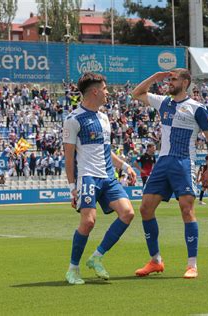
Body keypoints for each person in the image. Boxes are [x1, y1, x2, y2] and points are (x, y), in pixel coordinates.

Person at [132, 69, 208, 279]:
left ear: (185, 82)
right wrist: (154, 77)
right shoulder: (163, 102)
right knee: (145, 208)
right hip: (163, 162)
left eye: (173, 79)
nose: (169, 82)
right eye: (169, 79)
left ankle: (192, 265)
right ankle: (155, 261)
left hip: (183, 162)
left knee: (186, 209)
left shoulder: (197, 108)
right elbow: (137, 93)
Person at [63, 72, 136, 285]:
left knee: (128, 213)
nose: (107, 93)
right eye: (105, 89)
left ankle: (97, 257)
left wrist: (124, 165)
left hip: (108, 177)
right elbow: (68, 158)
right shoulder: (73, 120)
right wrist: (72, 188)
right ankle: (73, 269)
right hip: (88, 177)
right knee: (88, 222)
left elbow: (106, 150)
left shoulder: (104, 118)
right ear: (94, 91)